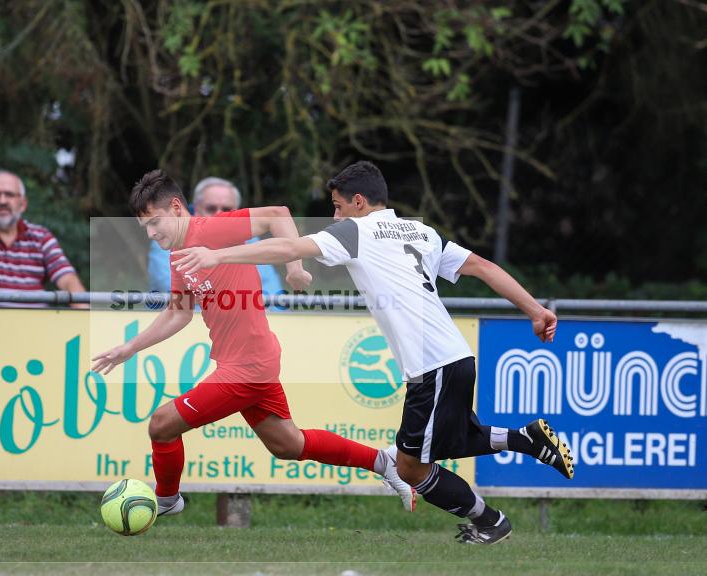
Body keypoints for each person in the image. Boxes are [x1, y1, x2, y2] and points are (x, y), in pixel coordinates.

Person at [171, 161, 575, 544]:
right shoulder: (422, 233)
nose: (335, 216)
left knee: (410, 467)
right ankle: (527, 441)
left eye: (337, 206)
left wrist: (217, 254)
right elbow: (484, 266)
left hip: (432, 364)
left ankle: (491, 521)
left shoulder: (356, 232)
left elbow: (285, 246)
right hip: (453, 356)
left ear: (358, 203)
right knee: (450, 442)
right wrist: (534, 309)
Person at [92, 169, 416, 516]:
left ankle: (167, 501)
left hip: (247, 367)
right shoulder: (177, 255)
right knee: (288, 444)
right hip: (250, 362)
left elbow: (279, 215)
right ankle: (384, 462)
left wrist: (294, 267)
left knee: (161, 424)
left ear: (175, 207)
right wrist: (129, 348)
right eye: (146, 229)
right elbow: (178, 314)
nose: (153, 233)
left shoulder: (212, 229)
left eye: (155, 222)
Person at [0, 170, 87, 307]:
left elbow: (69, 280)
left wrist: (89, 320)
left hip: (37, 326)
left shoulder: (41, 236)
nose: (2, 201)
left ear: (23, 204)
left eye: (10, 195)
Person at [147, 177, 284, 298]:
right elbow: (168, 287)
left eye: (227, 209)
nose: (220, 215)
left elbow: (272, 292)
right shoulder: (169, 238)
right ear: (195, 209)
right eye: (211, 208)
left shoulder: (249, 238)